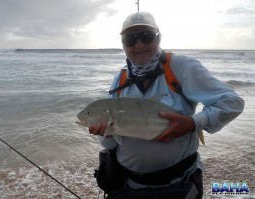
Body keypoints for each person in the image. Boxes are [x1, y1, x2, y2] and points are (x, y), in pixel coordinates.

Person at [88, 11, 244, 198]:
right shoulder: (119, 80)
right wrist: (105, 132)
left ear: (159, 37)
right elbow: (112, 143)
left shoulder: (181, 67)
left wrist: (194, 123)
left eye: (146, 36)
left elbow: (232, 102)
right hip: (130, 186)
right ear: (123, 45)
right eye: (130, 39)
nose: (138, 45)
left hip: (180, 184)